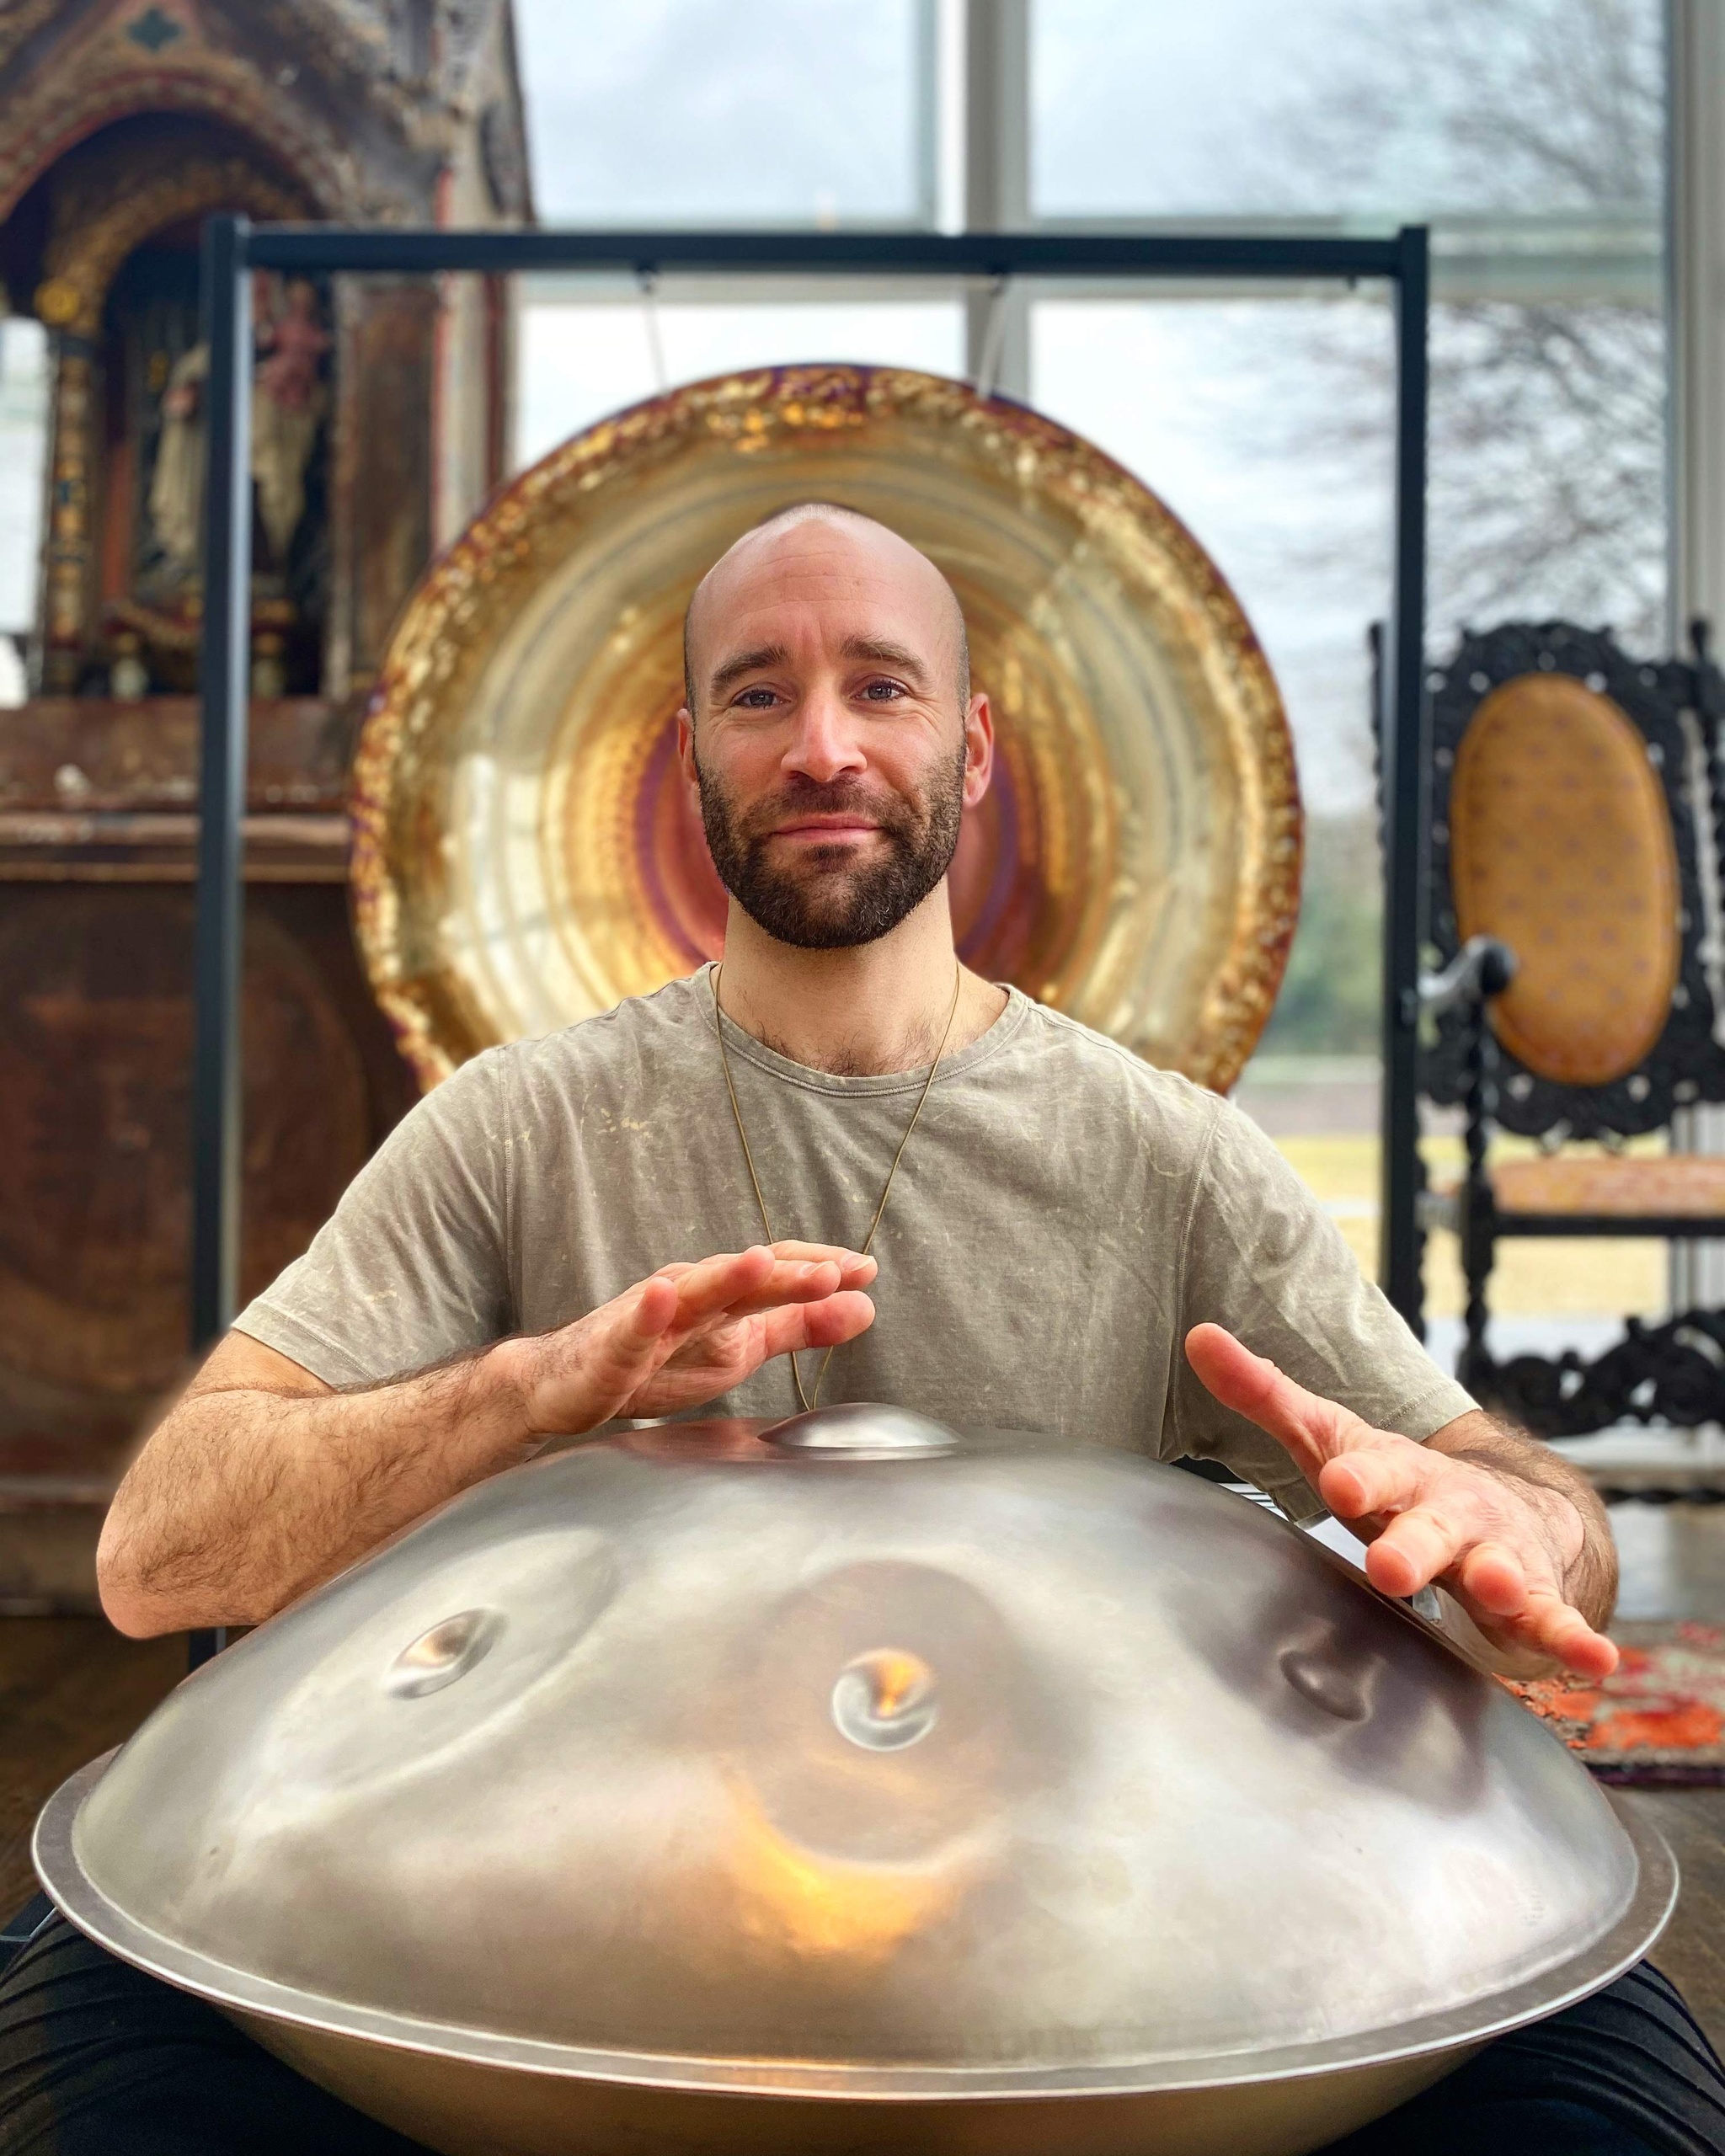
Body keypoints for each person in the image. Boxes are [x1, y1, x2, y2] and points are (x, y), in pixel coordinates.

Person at [1, 504, 1719, 2156]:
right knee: (81, 2007)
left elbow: (1527, 1546)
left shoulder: (1163, 1152)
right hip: (559, 1964)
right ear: (692, 755)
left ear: (972, 749)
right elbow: (160, 1558)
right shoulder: (519, 1125)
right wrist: (523, 1397)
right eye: (759, 691)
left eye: (879, 685)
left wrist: (1521, 1522)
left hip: (1097, 1987)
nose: (821, 744)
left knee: (1601, 2059)